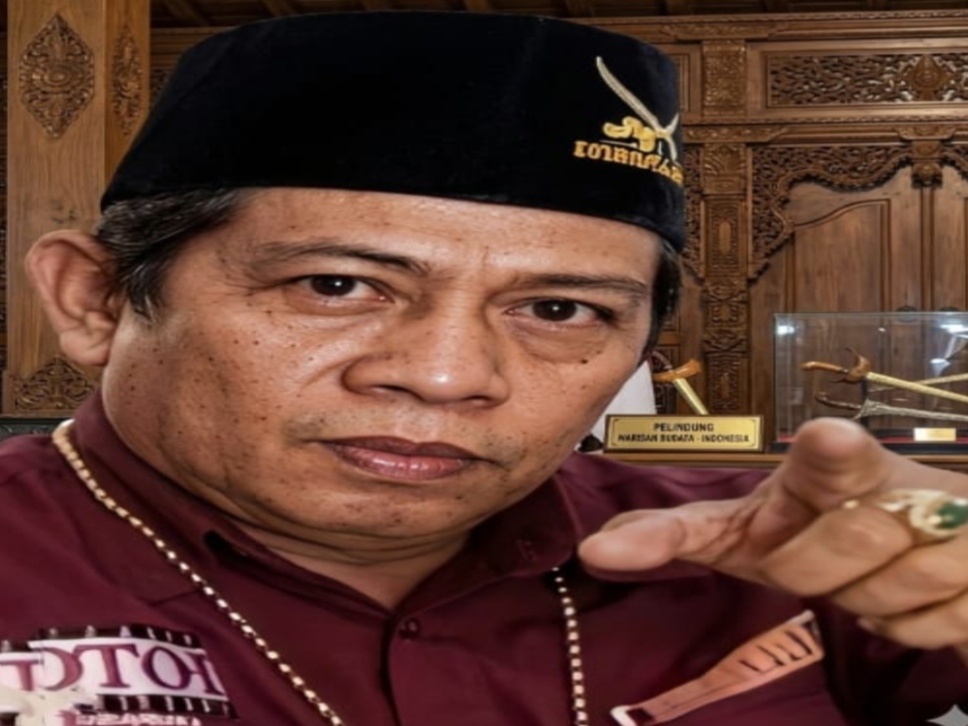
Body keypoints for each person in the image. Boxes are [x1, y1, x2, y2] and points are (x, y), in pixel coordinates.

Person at [3, 10, 968, 726]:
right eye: (336, 285)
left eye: (558, 310)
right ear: (96, 300)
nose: (446, 377)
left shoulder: (782, 553)